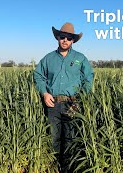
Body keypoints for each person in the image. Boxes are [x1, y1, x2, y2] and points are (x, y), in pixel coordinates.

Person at [33, 22, 94, 172]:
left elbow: (88, 79)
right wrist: (44, 93)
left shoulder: (80, 58)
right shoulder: (48, 58)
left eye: (69, 37)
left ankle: (69, 169)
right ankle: (54, 168)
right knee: (53, 138)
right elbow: (38, 75)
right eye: (62, 37)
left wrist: (80, 99)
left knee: (70, 138)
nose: (65, 40)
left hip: (73, 105)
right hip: (52, 104)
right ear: (57, 38)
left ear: (73, 40)